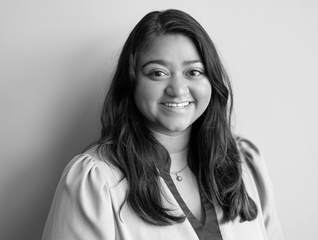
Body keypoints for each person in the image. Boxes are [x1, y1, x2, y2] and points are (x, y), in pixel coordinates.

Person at [42, 9, 283, 240]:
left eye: (194, 71)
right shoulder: (95, 180)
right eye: (158, 73)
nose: (178, 89)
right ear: (131, 83)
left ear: (212, 81)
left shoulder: (245, 163)